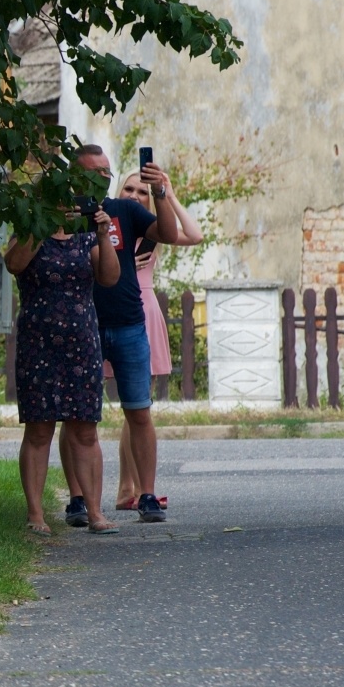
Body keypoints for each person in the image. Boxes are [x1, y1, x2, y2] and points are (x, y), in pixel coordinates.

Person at [58, 145, 180, 525]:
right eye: (91, 171)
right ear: (73, 175)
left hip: (128, 322)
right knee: (77, 417)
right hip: (82, 325)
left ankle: (145, 494)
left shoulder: (124, 210)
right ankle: (78, 499)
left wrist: (160, 192)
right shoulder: (63, 215)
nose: (100, 178)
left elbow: (170, 233)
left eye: (105, 171)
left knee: (139, 411)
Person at [3, 198, 121, 535]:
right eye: (60, 196)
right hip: (37, 341)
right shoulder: (28, 228)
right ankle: (36, 514)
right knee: (39, 428)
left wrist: (102, 234)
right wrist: (43, 224)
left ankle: (95, 512)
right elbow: (15, 263)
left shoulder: (86, 235)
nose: (68, 205)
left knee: (85, 428)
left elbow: (110, 277)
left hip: (81, 342)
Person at [110, 170, 203, 510]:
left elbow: (195, 234)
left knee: (137, 407)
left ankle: (128, 488)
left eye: (142, 192)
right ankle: (124, 488)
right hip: (112, 310)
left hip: (143, 311)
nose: (135, 196)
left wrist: (168, 194)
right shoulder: (108, 227)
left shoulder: (151, 231)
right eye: (129, 189)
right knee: (123, 408)